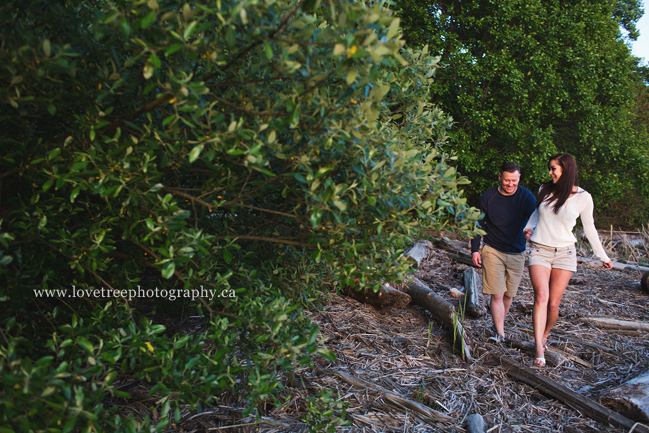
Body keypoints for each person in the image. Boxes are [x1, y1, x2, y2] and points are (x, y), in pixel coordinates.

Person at [524, 153, 612, 367]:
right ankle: (538, 347)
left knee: (553, 305)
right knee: (541, 297)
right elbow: (538, 212)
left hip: (565, 253)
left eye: (553, 168)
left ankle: (545, 334)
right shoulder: (545, 189)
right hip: (540, 249)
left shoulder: (584, 197)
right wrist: (529, 225)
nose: (550, 172)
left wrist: (603, 255)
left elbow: (589, 228)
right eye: (550, 168)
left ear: (566, 169)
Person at [471, 162, 537, 343]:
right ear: (500, 177)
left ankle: (498, 322)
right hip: (493, 249)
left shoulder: (526, 197)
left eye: (514, 181)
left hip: (517, 251)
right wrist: (475, 249)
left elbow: (537, 217)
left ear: (519, 178)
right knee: (497, 294)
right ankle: (500, 333)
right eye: (507, 180)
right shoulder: (488, 197)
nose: (510, 184)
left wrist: (533, 231)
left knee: (509, 294)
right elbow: (477, 224)